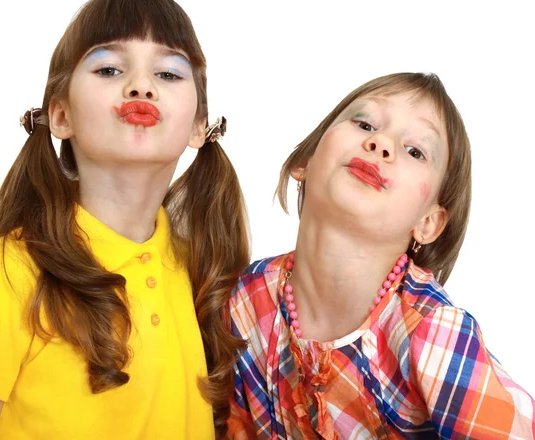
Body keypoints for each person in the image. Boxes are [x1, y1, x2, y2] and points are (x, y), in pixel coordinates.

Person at [0, 0, 249, 440]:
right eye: (108, 68)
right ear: (60, 115)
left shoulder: (207, 276)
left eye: (168, 73)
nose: (141, 86)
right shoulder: (7, 274)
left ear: (199, 126)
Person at [228, 72, 535, 439]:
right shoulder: (247, 303)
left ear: (428, 222)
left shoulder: (432, 334)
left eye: (415, 151)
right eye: (364, 123)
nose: (381, 144)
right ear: (305, 160)